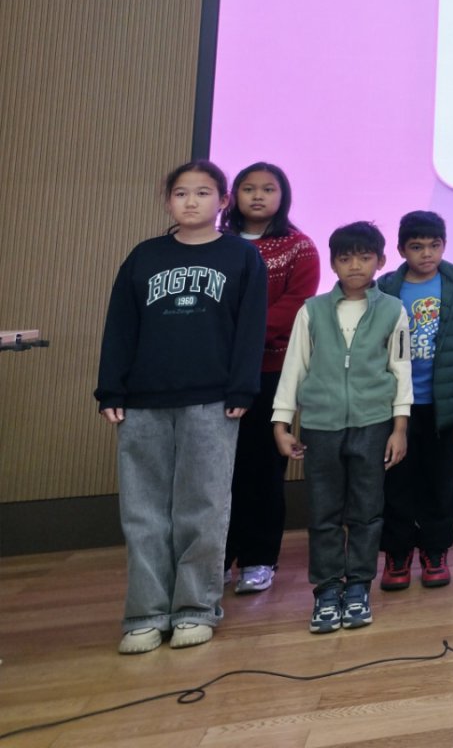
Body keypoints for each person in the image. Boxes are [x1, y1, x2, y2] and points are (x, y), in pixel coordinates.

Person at [96, 161, 267, 655]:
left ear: (223, 201)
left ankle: (195, 608)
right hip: (143, 401)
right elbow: (120, 326)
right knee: (143, 511)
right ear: (167, 200)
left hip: (212, 401)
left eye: (203, 192)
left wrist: (242, 390)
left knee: (204, 508)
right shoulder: (144, 256)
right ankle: (145, 614)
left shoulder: (241, 257)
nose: (191, 201)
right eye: (181, 193)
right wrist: (111, 390)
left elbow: (250, 328)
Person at [271, 221, 412, 634]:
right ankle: (328, 588)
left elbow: (401, 370)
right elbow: (294, 368)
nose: (355, 265)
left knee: (367, 511)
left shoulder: (393, 310)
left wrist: (399, 427)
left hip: (374, 424)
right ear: (332, 263)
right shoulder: (312, 310)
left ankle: (359, 587)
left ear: (380, 261)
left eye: (364, 257)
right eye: (346, 258)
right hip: (321, 425)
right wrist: (282, 422)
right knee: (324, 511)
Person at [375, 211, 453, 591]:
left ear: (444, 245)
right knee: (395, 484)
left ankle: (435, 550)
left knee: (440, 484)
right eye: (417, 246)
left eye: (434, 245)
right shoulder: (385, 289)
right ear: (401, 250)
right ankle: (397, 553)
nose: (426, 253)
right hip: (396, 410)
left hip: (442, 409)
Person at [220, 161, 320, 595]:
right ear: (233, 196)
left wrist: (237, 337)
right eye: (248, 188)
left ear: (283, 196)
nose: (258, 196)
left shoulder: (299, 247)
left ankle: (258, 558)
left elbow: (295, 305)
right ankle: (217, 557)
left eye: (268, 189)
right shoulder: (215, 243)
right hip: (213, 373)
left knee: (262, 467)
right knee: (215, 471)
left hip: (270, 372)